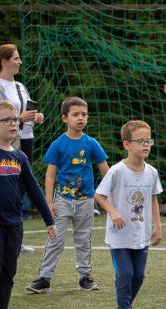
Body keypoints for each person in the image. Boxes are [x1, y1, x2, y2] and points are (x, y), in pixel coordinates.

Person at [26, 97, 109, 294]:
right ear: (65, 118)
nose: (80, 118)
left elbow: (106, 171)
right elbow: (50, 175)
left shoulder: (91, 143)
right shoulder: (58, 144)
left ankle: (85, 277)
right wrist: (49, 202)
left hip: (86, 201)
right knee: (55, 239)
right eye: (75, 114)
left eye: (84, 114)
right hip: (61, 201)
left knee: (83, 240)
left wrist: (107, 194)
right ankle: (45, 279)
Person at [95, 120, 162, 309]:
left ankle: (122, 305)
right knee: (125, 274)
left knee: (139, 276)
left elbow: (153, 199)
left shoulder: (151, 172)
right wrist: (113, 212)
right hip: (119, 237)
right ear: (127, 144)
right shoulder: (117, 171)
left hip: (140, 234)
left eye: (148, 140)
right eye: (140, 141)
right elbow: (99, 195)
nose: (146, 145)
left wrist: (158, 226)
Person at [0, 100, 56, 309]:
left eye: (15, 119)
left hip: (14, 224)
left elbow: (33, 189)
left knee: (8, 272)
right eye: (6, 120)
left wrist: (49, 220)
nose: (13, 124)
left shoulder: (20, 157)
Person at [0, 43, 45, 253]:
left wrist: (36, 117)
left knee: (21, 186)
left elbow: (28, 109)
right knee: (6, 186)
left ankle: (16, 237)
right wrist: (19, 118)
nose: (20, 62)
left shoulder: (19, 86)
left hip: (26, 138)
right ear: (4, 61)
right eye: (16, 58)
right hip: (7, 142)